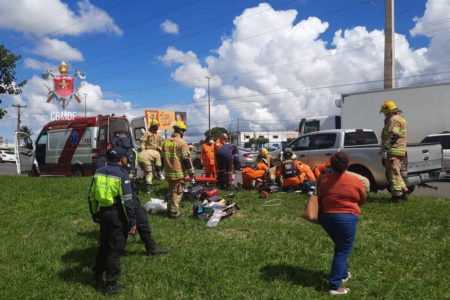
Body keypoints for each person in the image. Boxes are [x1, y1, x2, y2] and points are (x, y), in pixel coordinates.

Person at [95, 138, 168, 258]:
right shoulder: (104, 160)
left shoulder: (126, 156)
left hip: (129, 193)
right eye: (124, 150)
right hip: (115, 199)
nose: (127, 154)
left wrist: (130, 178)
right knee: (122, 226)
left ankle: (150, 247)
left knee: (141, 219)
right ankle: (116, 252)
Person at [317, 151, 365, 295]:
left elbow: (320, 195)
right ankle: (334, 286)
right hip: (346, 218)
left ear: (330, 164)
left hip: (325, 218)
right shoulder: (355, 181)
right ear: (348, 165)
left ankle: (344, 275)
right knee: (342, 252)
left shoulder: (323, 179)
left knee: (340, 247)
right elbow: (362, 199)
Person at [89, 147, 136, 294]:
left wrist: (95, 214)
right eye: (126, 158)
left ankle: (96, 276)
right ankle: (111, 283)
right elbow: (128, 201)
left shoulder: (98, 172)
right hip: (116, 213)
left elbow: (91, 196)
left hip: (103, 213)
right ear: (121, 159)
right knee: (116, 249)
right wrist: (133, 222)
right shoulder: (122, 174)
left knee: (104, 245)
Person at [162, 121, 195, 218]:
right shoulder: (182, 142)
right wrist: (191, 172)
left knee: (172, 191)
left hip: (168, 172)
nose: (183, 133)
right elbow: (186, 159)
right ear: (180, 131)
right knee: (177, 192)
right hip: (178, 173)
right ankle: (174, 212)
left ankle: (169, 209)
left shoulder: (166, 142)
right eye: (183, 130)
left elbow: (163, 157)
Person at [380, 99, 408, 201]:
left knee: (392, 174)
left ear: (388, 110)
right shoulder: (401, 119)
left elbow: (394, 135)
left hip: (393, 151)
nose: (384, 115)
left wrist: (386, 149)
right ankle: (404, 192)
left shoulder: (393, 120)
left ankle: (396, 196)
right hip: (399, 150)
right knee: (396, 172)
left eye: (384, 113)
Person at [139, 119, 165, 192]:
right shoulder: (146, 133)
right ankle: (148, 182)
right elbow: (142, 142)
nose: (157, 127)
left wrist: (160, 149)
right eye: (156, 126)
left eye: (158, 126)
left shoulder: (158, 134)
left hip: (157, 153)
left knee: (158, 166)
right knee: (148, 168)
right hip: (148, 152)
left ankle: (158, 174)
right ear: (152, 126)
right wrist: (143, 150)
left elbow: (161, 144)